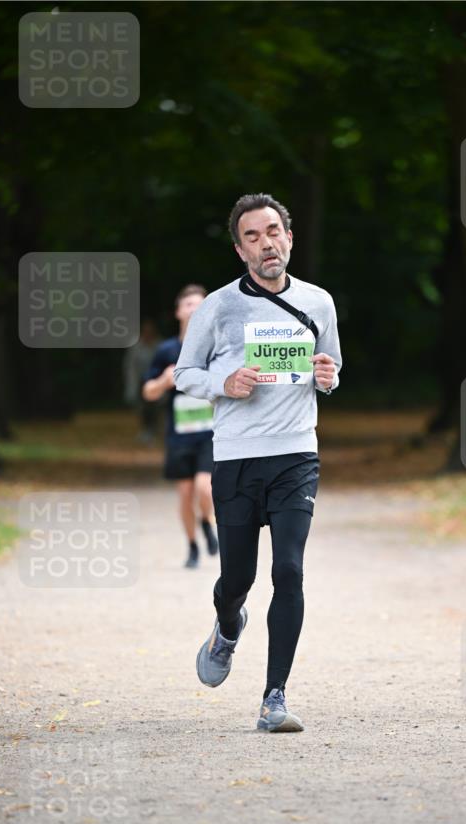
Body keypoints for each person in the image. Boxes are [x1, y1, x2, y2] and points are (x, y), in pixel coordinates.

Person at [174, 193, 342, 732]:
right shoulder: (219, 307)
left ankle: (275, 698)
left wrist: (326, 376)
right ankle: (227, 626)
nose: (266, 242)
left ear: (289, 237)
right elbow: (184, 374)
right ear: (240, 249)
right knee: (237, 578)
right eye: (253, 236)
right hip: (238, 458)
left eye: (274, 231)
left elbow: (332, 367)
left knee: (289, 569)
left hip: (296, 453)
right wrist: (222, 383)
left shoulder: (319, 301)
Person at [142, 284, 219, 568]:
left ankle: (207, 521)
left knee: (204, 487)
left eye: (200, 304)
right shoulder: (166, 350)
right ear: (178, 311)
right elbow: (147, 392)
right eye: (188, 304)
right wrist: (164, 381)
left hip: (211, 432)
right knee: (185, 494)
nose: (194, 309)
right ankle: (192, 546)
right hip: (179, 434)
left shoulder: (217, 346)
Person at [124, 317, 161, 444]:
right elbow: (131, 367)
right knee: (142, 409)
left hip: (157, 382)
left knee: (154, 408)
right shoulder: (136, 347)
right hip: (141, 382)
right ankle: (145, 430)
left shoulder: (159, 346)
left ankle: (153, 431)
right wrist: (131, 387)